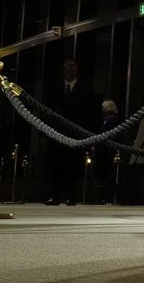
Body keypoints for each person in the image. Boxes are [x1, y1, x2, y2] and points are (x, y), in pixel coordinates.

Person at [44, 58, 95, 206]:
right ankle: (54, 196)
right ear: (63, 69)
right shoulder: (54, 89)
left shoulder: (85, 90)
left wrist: (85, 136)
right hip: (55, 134)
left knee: (72, 166)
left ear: (77, 70)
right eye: (68, 66)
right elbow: (47, 112)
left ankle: (71, 196)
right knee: (55, 165)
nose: (71, 69)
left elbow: (88, 114)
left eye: (74, 66)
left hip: (75, 135)